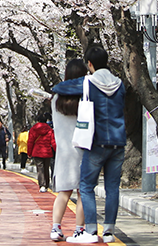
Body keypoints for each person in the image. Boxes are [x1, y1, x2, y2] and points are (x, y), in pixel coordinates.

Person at [53, 46, 126, 244]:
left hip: (98, 141)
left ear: (90, 64)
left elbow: (60, 88)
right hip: (118, 142)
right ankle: (109, 231)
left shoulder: (88, 82)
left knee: (85, 186)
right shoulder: (120, 84)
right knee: (112, 188)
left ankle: (91, 231)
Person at [49, 59, 89, 241]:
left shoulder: (55, 98)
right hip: (84, 149)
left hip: (64, 151)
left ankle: (56, 228)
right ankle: (79, 229)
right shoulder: (87, 96)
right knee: (83, 192)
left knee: (64, 192)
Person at [26, 111, 56, 193]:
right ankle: (46, 184)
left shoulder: (33, 129)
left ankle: (42, 185)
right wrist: (56, 150)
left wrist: (29, 153)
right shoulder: (49, 129)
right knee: (46, 168)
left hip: (37, 151)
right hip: (47, 152)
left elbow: (30, 142)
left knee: (40, 169)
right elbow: (53, 141)